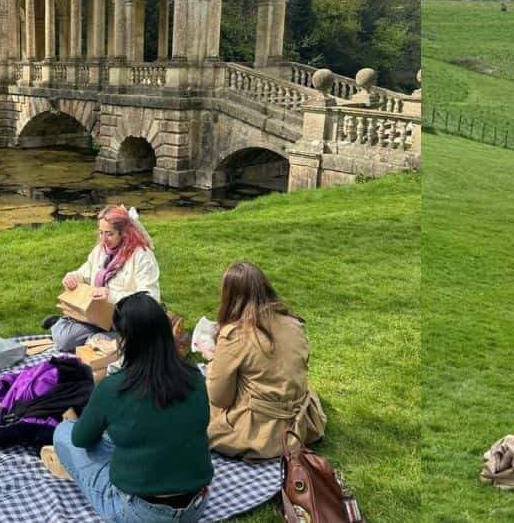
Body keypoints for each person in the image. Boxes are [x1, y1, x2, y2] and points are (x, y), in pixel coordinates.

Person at [44, 293, 213, 522]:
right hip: (196, 505)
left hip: (141, 512)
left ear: (124, 340)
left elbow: (81, 439)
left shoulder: (113, 388)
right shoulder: (194, 377)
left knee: (64, 432)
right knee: (121, 439)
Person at [202, 262, 326, 460]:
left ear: (230, 297)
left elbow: (219, 398)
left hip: (258, 433)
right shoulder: (294, 324)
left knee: (195, 399)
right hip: (301, 423)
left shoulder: (235, 334)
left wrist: (214, 366)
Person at [48, 206, 161, 352]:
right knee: (64, 341)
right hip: (100, 315)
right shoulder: (101, 250)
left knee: (129, 346)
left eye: (109, 234)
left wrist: (111, 295)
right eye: (101, 233)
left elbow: (150, 300)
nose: (103, 239)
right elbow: (85, 273)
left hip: (128, 319)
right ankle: (90, 334)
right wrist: (72, 277)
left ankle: (95, 336)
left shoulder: (142, 256)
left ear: (124, 233)